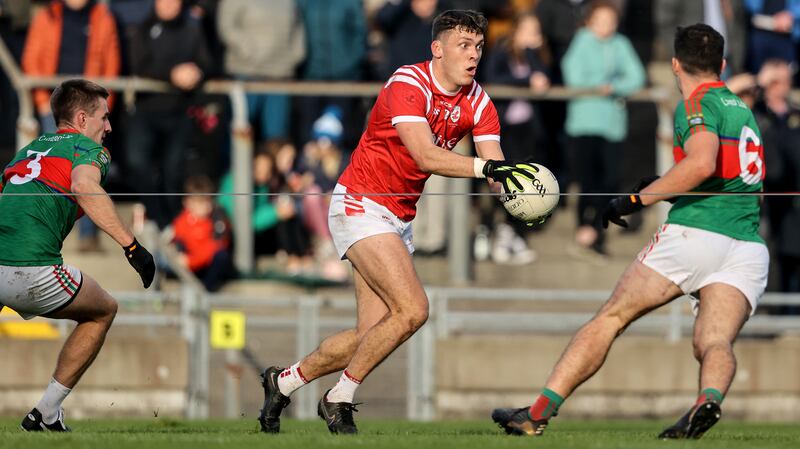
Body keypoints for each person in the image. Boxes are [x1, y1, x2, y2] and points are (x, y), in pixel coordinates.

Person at [256, 10, 538, 435]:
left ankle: (285, 381)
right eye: (464, 45)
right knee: (414, 309)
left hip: (398, 218)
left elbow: (494, 166)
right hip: (359, 204)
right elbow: (425, 155)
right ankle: (339, 398)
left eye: (479, 46)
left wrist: (524, 195)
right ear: (437, 50)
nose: (474, 55)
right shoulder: (408, 82)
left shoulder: (479, 101)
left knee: (369, 334)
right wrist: (487, 171)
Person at [492, 23, 768, 439]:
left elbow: (702, 164)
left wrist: (636, 200)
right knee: (713, 342)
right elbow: (729, 179)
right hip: (746, 244)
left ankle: (536, 414)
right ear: (723, 65)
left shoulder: (696, 102)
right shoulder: (741, 109)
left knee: (610, 318)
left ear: (676, 64)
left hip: (697, 236)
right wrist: (665, 184)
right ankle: (707, 400)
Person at [0, 79, 156, 431]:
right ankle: (46, 413)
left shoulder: (27, 150)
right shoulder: (87, 149)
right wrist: (132, 248)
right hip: (32, 267)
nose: (109, 126)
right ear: (83, 119)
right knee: (103, 311)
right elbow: (84, 186)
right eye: (105, 117)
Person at [561, 1, 645, 257]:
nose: (606, 26)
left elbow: (636, 76)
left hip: (612, 125)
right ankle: (584, 227)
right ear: (590, 21)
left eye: (611, 20)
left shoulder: (621, 44)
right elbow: (573, 74)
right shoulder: (582, 41)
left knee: (610, 179)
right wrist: (601, 85)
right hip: (585, 123)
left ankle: (597, 229)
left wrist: (613, 87)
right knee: (587, 179)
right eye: (601, 20)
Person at [171, 175, 233, 292]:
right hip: (190, 265)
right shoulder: (181, 221)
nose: (206, 206)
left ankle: (205, 290)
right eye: (200, 202)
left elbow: (216, 246)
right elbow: (177, 241)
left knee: (221, 256)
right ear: (188, 203)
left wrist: (192, 261)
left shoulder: (217, 218)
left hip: (206, 265)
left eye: (208, 201)